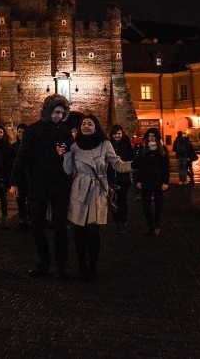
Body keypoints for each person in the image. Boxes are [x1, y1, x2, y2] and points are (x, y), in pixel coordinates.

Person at [10, 94, 74, 279]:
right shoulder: (32, 130)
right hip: (38, 184)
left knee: (60, 225)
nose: (58, 116)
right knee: (37, 225)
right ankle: (43, 263)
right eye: (56, 112)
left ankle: (61, 265)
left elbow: (71, 156)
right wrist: (14, 181)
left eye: (61, 113)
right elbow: (21, 156)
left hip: (59, 184)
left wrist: (63, 155)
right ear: (48, 111)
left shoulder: (64, 131)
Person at [64, 115, 132, 280]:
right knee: (79, 231)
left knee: (94, 231)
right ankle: (82, 267)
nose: (86, 126)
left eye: (90, 123)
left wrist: (133, 165)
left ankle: (92, 267)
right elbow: (68, 170)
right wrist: (65, 154)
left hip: (96, 190)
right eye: (83, 124)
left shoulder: (105, 144)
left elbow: (117, 164)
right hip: (80, 189)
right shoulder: (74, 146)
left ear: (96, 127)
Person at [132, 128, 170, 236]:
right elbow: (140, 166)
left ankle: (157, 224)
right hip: (146, 180)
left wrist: (165, 182)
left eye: (153, 136)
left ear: (157, 137)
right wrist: (138, 180)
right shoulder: (144, 150)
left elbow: (166, 167)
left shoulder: (162, 149)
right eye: (149, 136)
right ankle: (150, 225)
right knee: (145, 204)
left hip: (158, 180)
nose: (151, 138)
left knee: (158, 204)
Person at [107, 124, 134, 234]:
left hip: (123, 178)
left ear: (122, 134)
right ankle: (116, 221)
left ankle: (122, 221)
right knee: (113, 200)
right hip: (112, 178)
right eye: (115, 134)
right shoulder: (108, 145)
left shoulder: (127, 145)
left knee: (122, 200)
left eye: (119, 134)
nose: (117, 136)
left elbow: (131, 159)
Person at [0, 125, 14, 227]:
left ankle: (4, 219)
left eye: (1, 132)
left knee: (3, 198)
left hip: (3, 174)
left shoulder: (7, 145)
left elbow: (9, 160)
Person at [9, 123, 30, 230]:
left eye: (23, 132)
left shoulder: (31, 146)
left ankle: (30, 220)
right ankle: (23, 221)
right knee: (20, 201)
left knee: (30, 201)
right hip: (19, 179)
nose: (21, 134)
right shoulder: (14, 146)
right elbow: (12, 163)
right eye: (19, 132)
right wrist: (12, 181)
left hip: (29, 178)